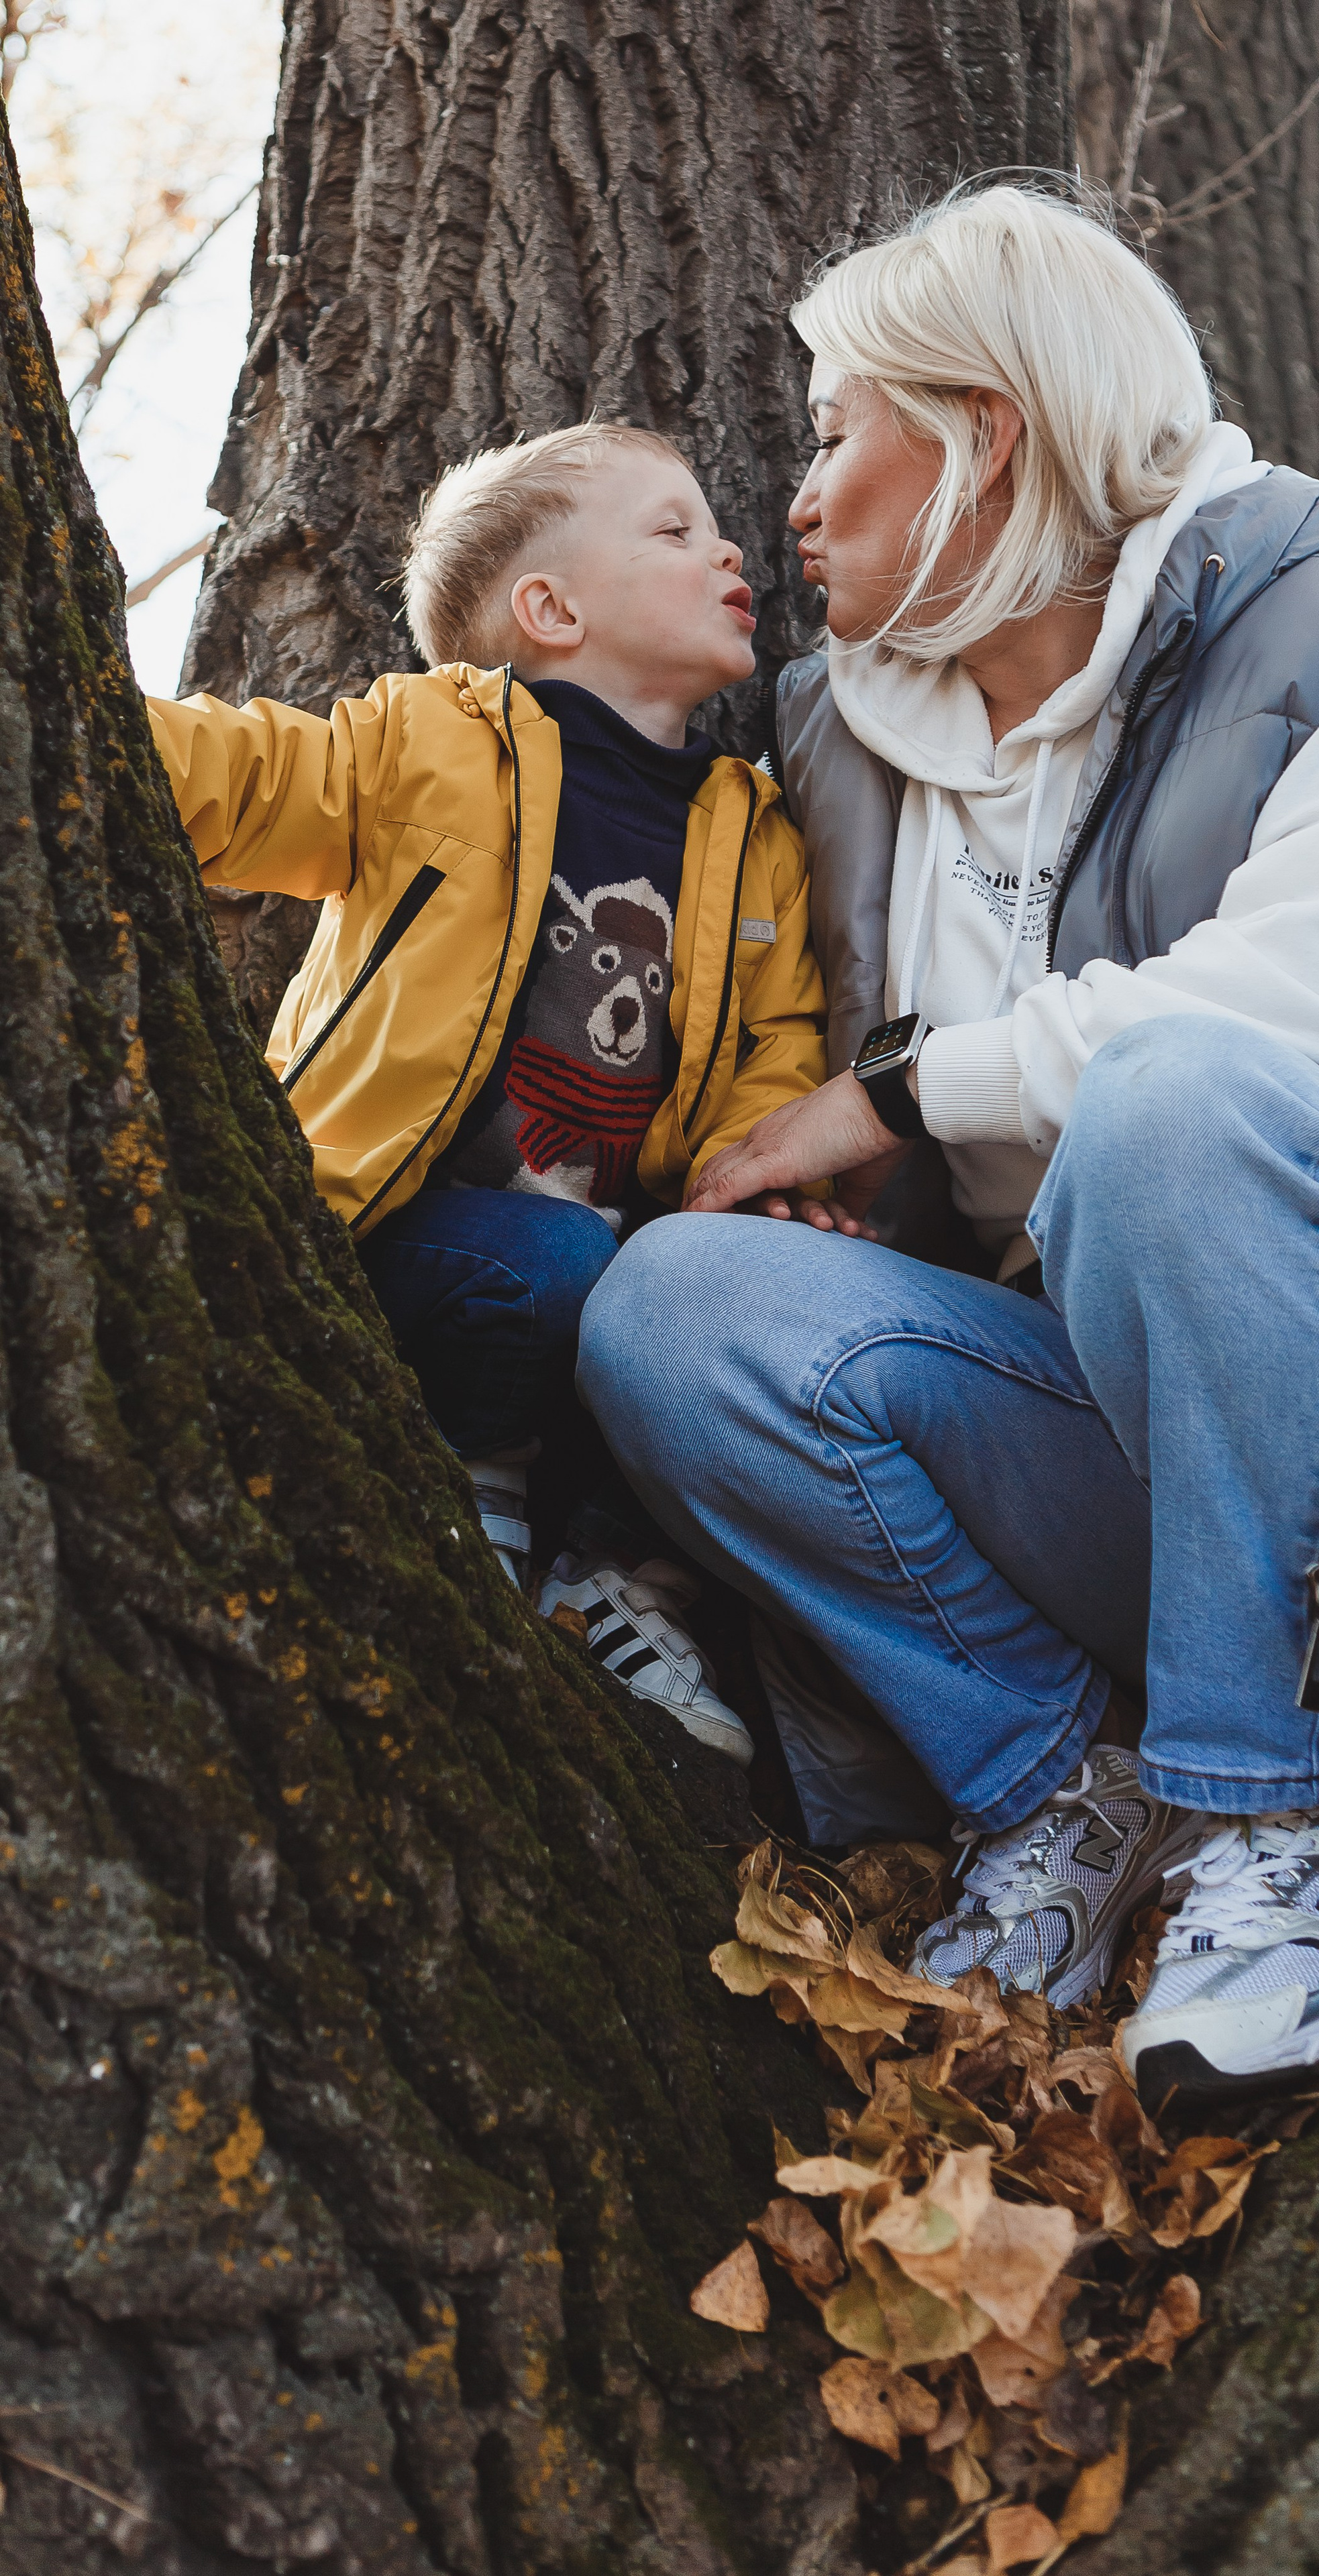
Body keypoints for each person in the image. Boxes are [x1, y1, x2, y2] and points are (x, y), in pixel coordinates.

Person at [576, 184, 1319, 2100]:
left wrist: (907, 1094)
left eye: (844, 428)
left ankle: (1311, 1836)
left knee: (1175, 1108)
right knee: (674, 1308)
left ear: (987, 433)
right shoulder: (833, 747)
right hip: (1117, 1451)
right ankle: (1064, 1799)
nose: (800, 494)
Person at [148, 423, 829, 1767]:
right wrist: (73, 708)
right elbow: (251, 774)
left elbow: (778, 1052)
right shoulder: (431, 744)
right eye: (675, 529)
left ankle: (607, 1580)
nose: (730, 547)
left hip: (603, 1277)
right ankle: (474, 1512)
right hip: (406, 1244)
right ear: (550, 608)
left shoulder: (752, 835)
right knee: (550, 1258)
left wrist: (780, 1195)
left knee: (699, 1309)